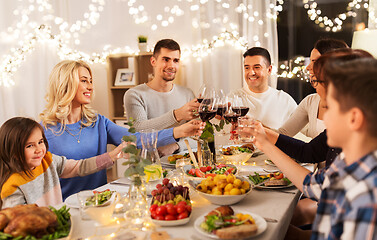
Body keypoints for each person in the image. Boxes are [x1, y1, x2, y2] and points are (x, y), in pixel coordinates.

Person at [247, 57, 377, 239]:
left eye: (328, 108)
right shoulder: (348, 163)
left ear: (354, 118)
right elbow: (311, 184)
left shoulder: (365, 196)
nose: (324, 119)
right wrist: (265, 144)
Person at [39, 60, 204, 200]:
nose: (90, 86)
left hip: (100, 201)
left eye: (90, 81)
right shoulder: (43, 130)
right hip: (66, 205)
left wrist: (178, 132)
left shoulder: (98, 122)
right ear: (65, 83)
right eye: (84, 81)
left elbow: (137, 138)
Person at [0, 117, 126, 209]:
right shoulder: (11, 186)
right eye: (29, 146)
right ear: (14, 152)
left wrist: (111, 156)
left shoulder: (48, 160)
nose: (39, 150)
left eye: (40, 142)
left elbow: (79, 167)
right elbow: (18, 221)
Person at [124, 39, 200, 156]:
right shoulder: (134, 94)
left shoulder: (187, 94)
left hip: (181, 168)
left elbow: (199, 134)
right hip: (147, 169)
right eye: (166, 60)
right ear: (153, 61)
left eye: (176, 60)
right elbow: (139, 130)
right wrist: (177, 115)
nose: (171, 66)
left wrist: (176, 146)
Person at [277, 38, 348, 138]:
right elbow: (283, 134)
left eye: (314, 61)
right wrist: (257, 128)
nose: (308, 67)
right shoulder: (310, 101)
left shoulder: (353, 104)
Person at [233, 47, 297, 129]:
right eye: (247, 68)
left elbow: (306, 131)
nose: (251, 72)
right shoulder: (234, 98)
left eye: (257, 67)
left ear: (269, 70)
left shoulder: (285, 100)